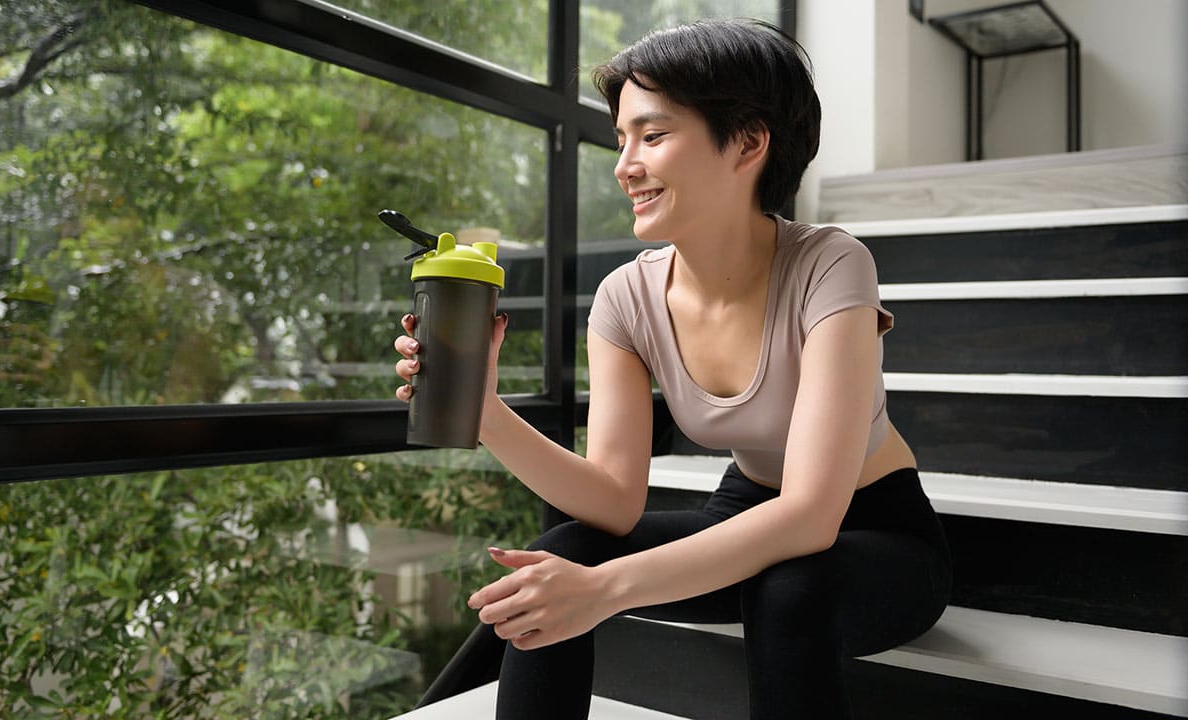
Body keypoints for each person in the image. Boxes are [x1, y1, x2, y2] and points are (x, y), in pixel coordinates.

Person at [393, 18, 951, 720]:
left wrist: (606, 590)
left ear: (748, 141)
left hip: (877, 530)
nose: (625, 163)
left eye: (653, 136)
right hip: (746, 507)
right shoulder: (626, 296)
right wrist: (484, 413)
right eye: (622, 138)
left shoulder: (832, 264)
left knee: (788, 592)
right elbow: (612, 500)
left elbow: (810, 516)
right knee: (562, 551)